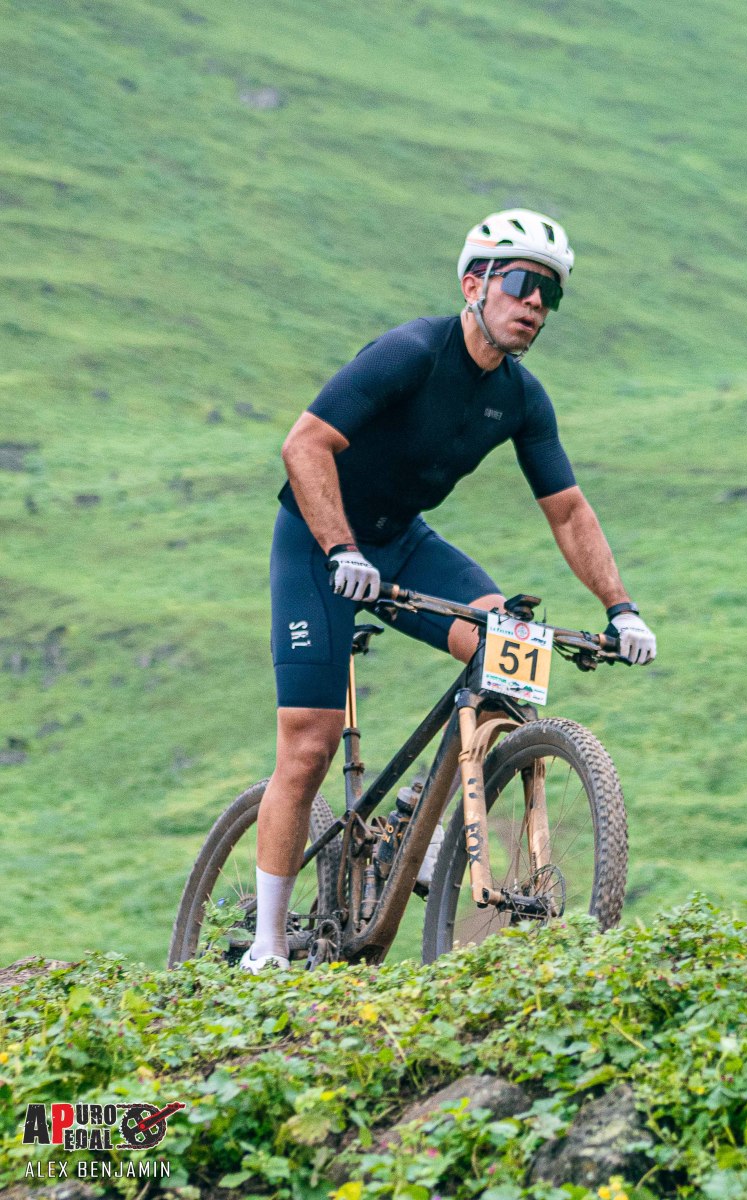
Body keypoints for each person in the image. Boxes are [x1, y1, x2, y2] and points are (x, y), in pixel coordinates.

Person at [240, 209, 657, 972]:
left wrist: (620, 609)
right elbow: (304, 444)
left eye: (551, 294)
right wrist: (339, 547)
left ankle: (425, 828)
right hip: (316, 541)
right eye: (522, 283)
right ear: (474, 285)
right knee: (309, 743)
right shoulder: (410, 353)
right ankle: (267, 943)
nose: (535, 304)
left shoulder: (522, 398)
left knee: (512, 651)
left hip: (400, 542)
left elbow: (567, 509)